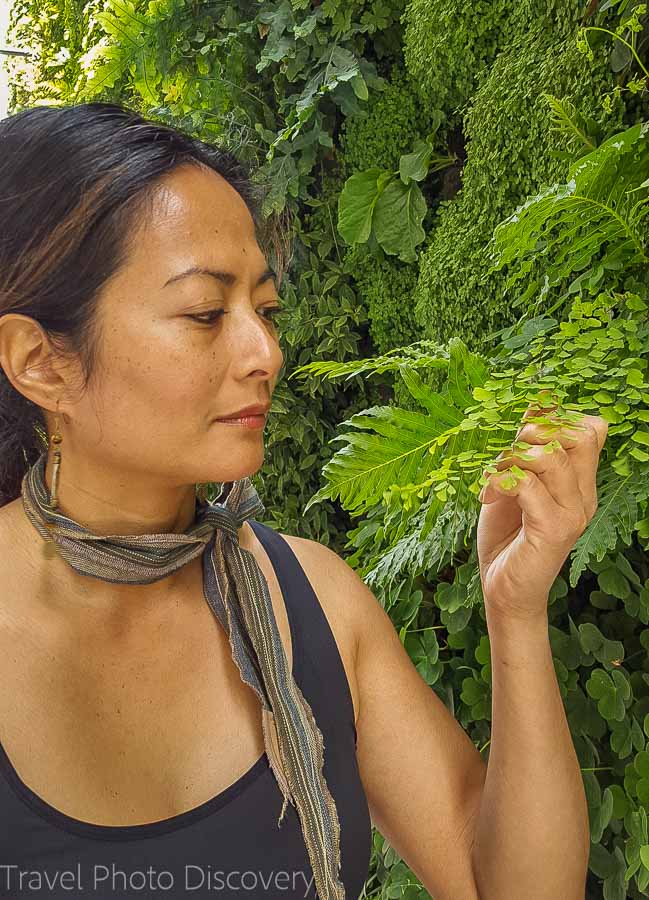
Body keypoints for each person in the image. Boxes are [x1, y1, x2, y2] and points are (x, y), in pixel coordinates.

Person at [0, 101, 605, 900]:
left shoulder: (311, 601)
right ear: (40, 361)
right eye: (206, 313)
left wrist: (516, 612)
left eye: (266, 309)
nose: (266, 352)